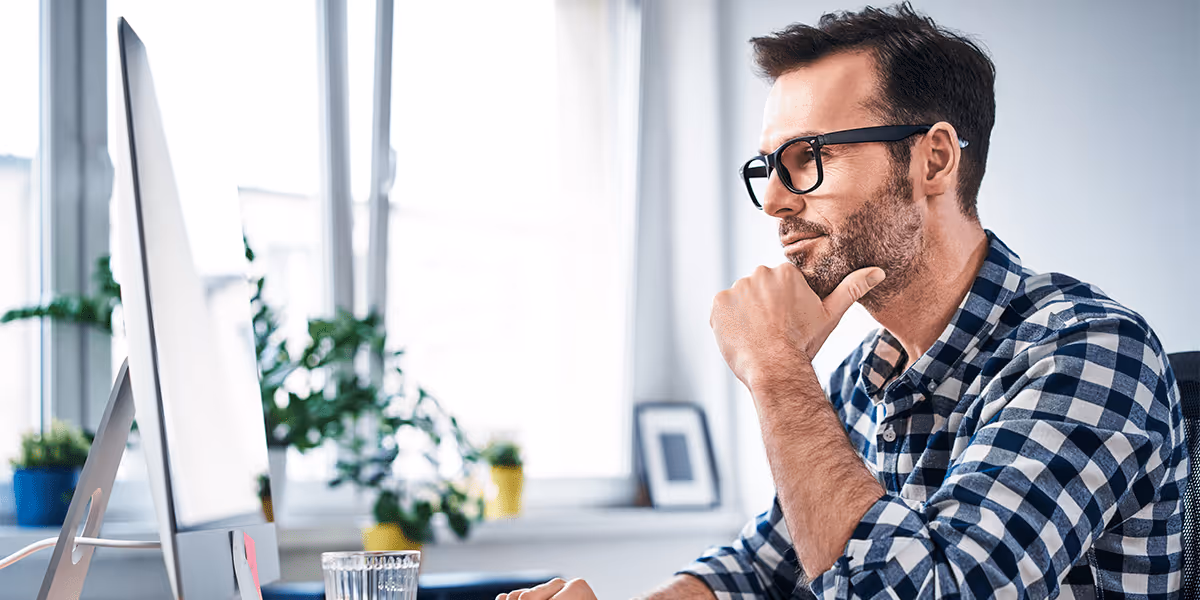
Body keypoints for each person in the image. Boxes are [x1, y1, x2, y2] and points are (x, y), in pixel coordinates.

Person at [497, 3, 1186, 598]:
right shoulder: (867, 377)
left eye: (807, 157)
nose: (772, 201)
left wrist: (773, 367)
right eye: (769, 167)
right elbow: (759, 571)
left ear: (934, 160)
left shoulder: (1089, 352)